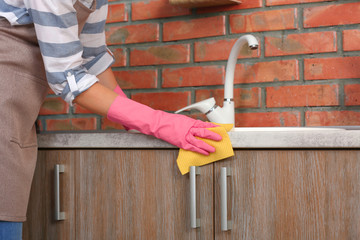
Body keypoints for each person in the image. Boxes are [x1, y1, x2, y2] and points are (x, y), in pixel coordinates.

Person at [0, 0, 222, 238]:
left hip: (17, 109)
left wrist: (133, 120)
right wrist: (158, 122)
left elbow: (92, 56)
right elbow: (67, 78)